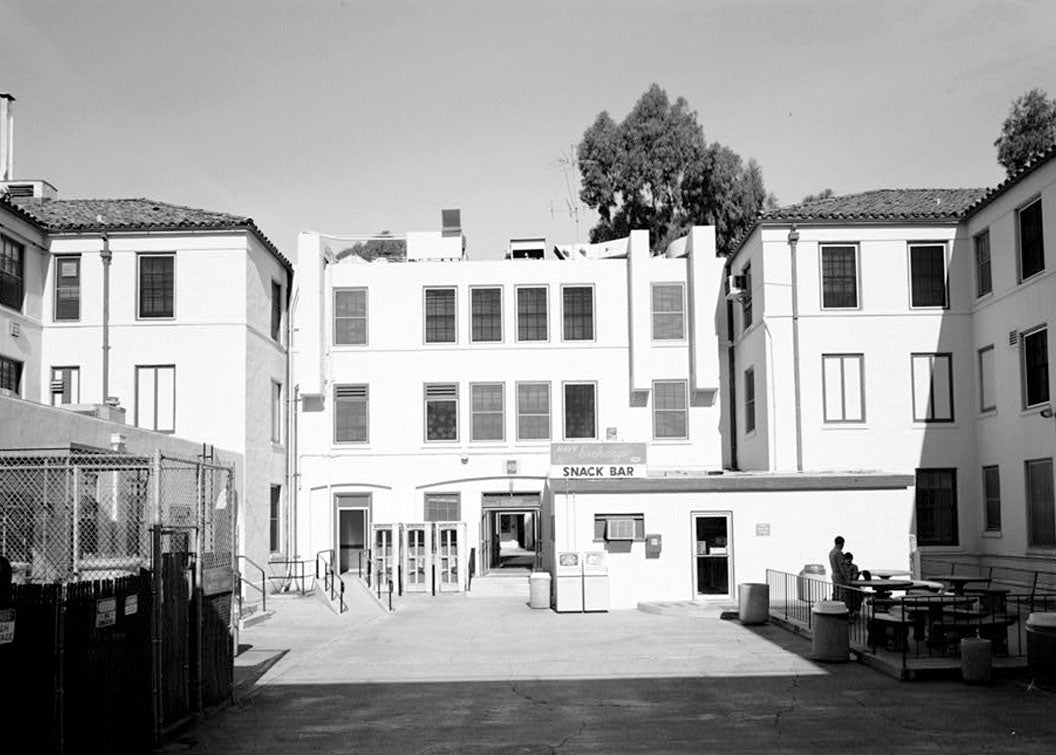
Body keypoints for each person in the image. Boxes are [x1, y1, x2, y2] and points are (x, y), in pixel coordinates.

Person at [828, 535, 848, 601]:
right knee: (842, 595)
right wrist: (846, 578)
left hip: (834, 574)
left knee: (836, 594)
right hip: (839, 575)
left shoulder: (831, 552)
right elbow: (841, 567)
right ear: (841, 543)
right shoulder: (839, 553)